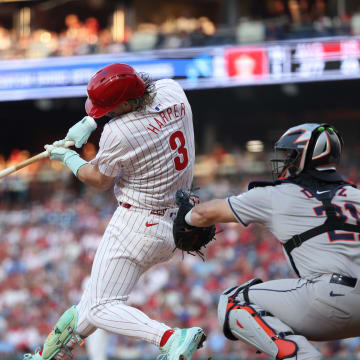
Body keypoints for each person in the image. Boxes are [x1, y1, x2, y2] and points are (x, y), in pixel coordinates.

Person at [24, 63, 205, 360]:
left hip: (136, 222)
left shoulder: (119, 132)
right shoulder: (172, 90)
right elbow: (139, 105)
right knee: (93, 301)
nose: (102, 113)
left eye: (107, 108)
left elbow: (98, 180)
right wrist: (90, 123)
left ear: (123, 103)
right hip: (176, 220)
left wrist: (69, 157)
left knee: (99, 306)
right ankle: (46, 356)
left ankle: (170, 337)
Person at [180, 123, 360, 360]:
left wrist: (185, 217)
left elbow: (204, 213)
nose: (285, 161)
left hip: (328, 300)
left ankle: (302, 356)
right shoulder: (356, 195)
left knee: (233, 300)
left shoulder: (278, 194)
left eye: (291, 155)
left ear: (306, 156)